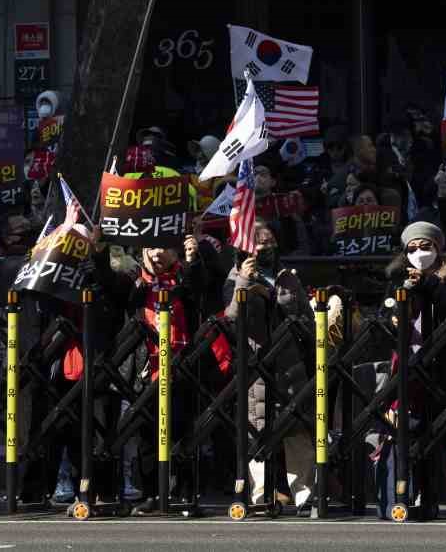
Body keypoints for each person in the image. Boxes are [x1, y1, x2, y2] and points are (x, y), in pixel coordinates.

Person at [95, 233, 209, 515]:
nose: (157, 254)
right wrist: (99, 253)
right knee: (146, 435)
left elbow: (200, 285)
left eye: (165, 248)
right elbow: (109, 283)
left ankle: (184, 495)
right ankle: (151, 494)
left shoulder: (184, 277)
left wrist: (194, 259)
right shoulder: (133, 279)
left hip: (181, 367)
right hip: (145, 369)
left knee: (183, 433)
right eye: (151, 248)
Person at [377, 220, 446, 518]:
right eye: (413, 248)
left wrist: (431, 285)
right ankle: (414, 493)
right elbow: (384, 317)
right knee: (412, 430)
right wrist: (393, 312)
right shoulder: (398, 279)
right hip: (410, 369)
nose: (420, 252)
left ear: (438, 248)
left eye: (426, 246)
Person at [223, 221, 314, 513]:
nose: (266, 251)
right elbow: (231, 318)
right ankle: (261, 495)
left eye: (270, 245)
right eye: (259, 247)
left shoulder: (288, 277)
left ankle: (304, 493)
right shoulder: (234, 278)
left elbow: (307, 316)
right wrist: (243, 283)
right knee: (256, 426)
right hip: (255, 364)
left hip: (290, 362)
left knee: (297, 428)